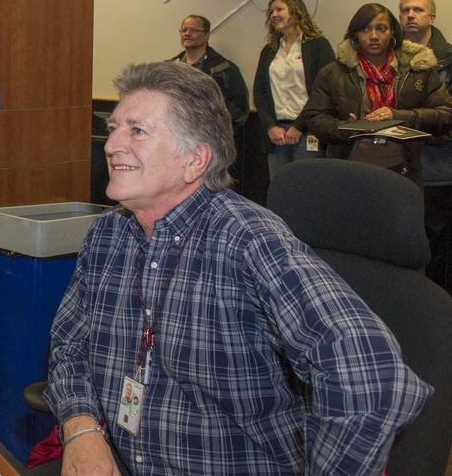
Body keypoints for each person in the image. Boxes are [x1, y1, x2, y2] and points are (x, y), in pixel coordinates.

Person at [47, 61, 430, 475]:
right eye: (115, 126)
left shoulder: (248, 239)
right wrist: (82, 429)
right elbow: (69, 346)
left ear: (194, 160)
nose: (111, 143)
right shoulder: (107, 234)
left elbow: (373, 379)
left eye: (136, 131)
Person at [300, 2, 452, 171]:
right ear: (355, 34)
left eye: (381, 29)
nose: (373, 36)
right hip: (349, 167)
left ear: (393, 31)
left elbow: (445, 113)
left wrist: (399, 116)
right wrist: (345, 128)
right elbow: (313, 117)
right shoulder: (333, 72)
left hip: (404, 168)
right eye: (365, 29)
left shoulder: (418, 69)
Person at [399, 0, 452, 292]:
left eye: (418, 9)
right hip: (397, 163)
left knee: (432, 243)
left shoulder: (448, 59)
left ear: (431, 17)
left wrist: (413, 123)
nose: (410, 15)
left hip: (437, 165)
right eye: (405, 9)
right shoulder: (389, 59)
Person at [251, 0, 334, 174]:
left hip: (308, 130)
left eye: (279, 9)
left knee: (307, 186)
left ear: (296, 13)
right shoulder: (270, 50)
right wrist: (270, 126)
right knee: (279, 186)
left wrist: (298, 126)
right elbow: (259, 92)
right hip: (277, 134)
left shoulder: (318, 45)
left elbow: (323, 92)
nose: (273, 15)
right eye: (271, 11)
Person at [168, 14, 246, 137]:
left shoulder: (225, 69)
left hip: (210, 139)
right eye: (184, 30)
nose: (187, 33)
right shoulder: (169, 68)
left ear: (206, 36)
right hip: (174, 138)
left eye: (193, 30)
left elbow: (239, 111)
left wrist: (218, 135)